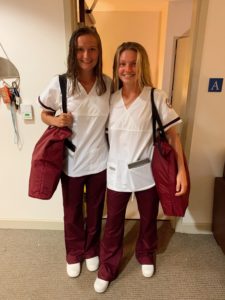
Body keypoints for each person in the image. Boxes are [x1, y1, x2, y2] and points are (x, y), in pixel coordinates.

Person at [93, 42, 188, 293]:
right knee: (113, 223)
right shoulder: (110, 100)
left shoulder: (155, 97)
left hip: (147, 172)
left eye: (133, 63)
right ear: (116, 67)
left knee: (148, 219)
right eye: (122, 64)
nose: (127, 69)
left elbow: (173, 136)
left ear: (141, 65)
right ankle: (108, 268)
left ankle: (146, 253)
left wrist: (181, 171)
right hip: (116, 174)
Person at [38, 26, 111, 278]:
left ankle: (91, 250)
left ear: (99, 51)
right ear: (73, 51)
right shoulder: (61, 83)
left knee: (95, 210)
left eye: (92, 49)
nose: (86, 55)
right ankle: (73, 253)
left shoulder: (107, 84)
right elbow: (44, 113)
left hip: (100, 160)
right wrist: (55, 121)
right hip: (71, 161)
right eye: (80, 49)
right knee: (71, 212)